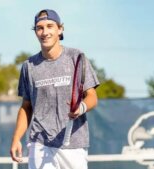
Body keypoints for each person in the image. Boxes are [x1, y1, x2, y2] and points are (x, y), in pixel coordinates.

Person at [10, 9, 99, 169]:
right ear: (36, 32)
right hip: (40, 143)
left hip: (74, 144)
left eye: (50, 26)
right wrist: (16, 138)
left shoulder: (76, 57)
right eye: (39, 28)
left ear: (60, 29)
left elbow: (92, 96)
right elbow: (26, 107)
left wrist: (81, 107)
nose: (45, 32)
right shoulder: (28, 66)